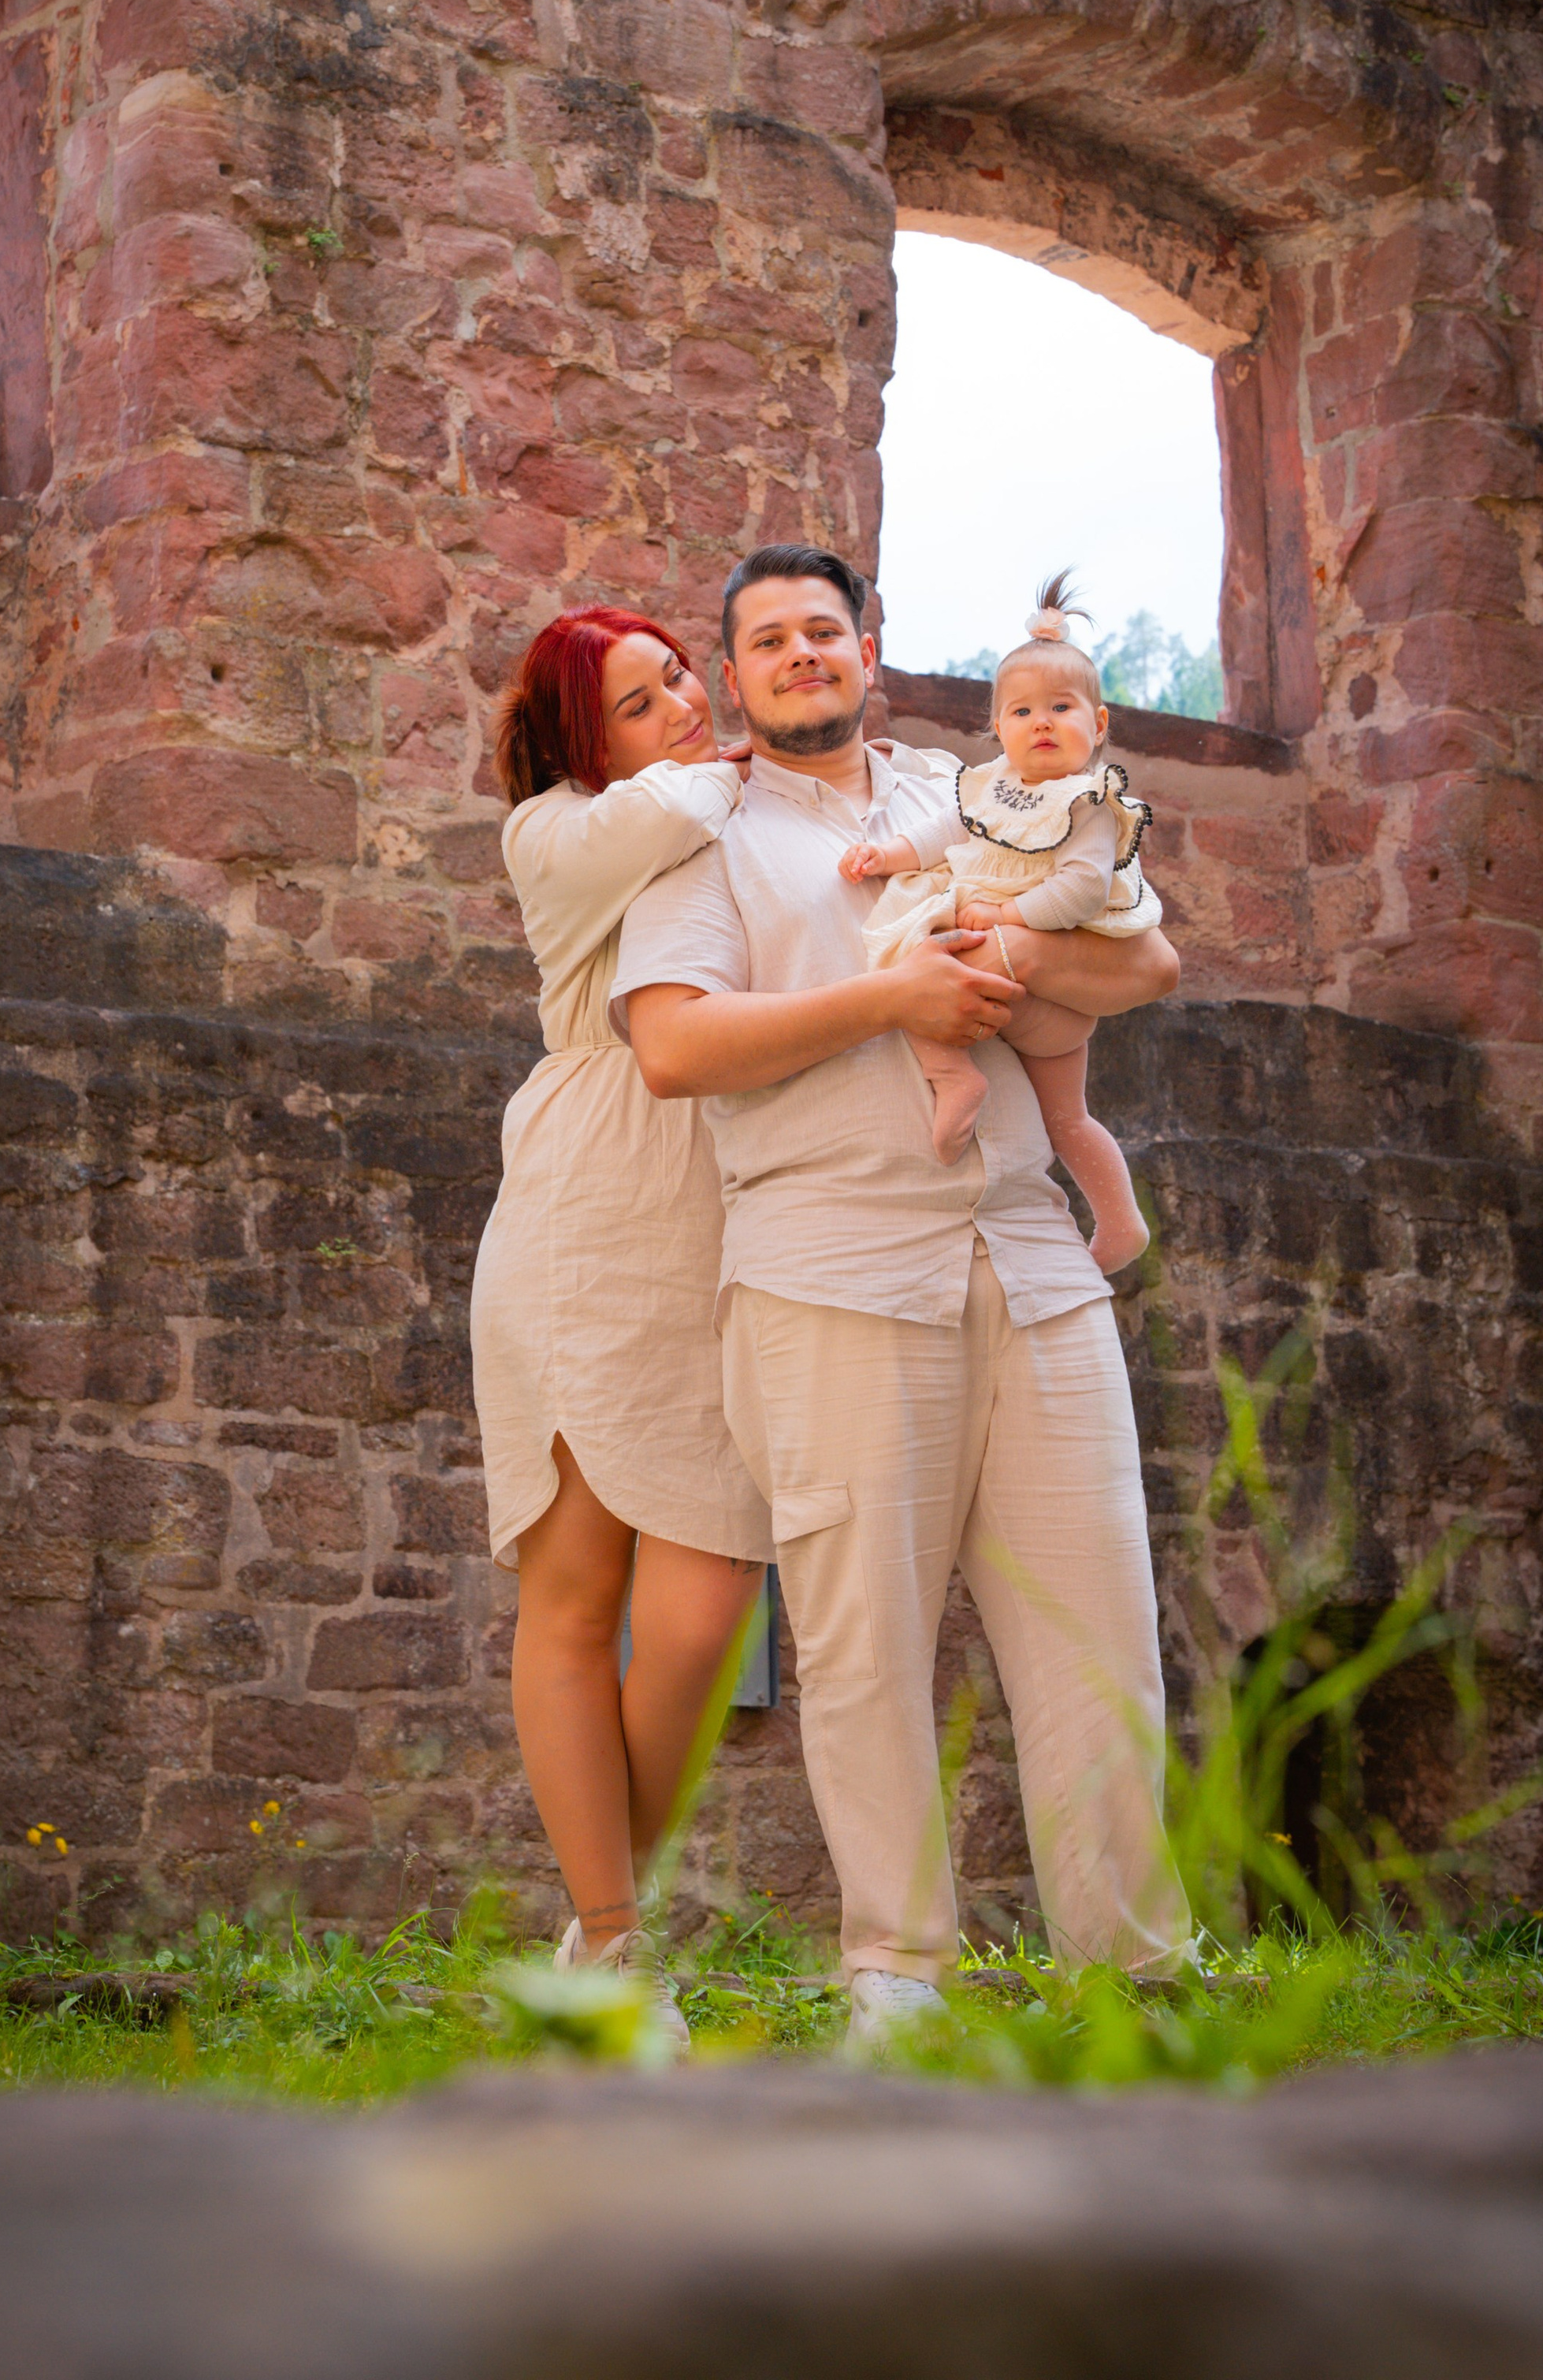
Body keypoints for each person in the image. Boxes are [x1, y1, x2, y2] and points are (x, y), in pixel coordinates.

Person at [613, 544, 1189, 2056]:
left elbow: (1150, 959)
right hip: (831, 1264)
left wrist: (1006, 946)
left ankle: (1135, 1982)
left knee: (1103, 1631)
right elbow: (673, 1046)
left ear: (871, 646)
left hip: (1033, 1252)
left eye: (826, 628)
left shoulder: (977, 784)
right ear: (730, 675)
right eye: (768, 640)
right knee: (864, 1648)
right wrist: (896, 998)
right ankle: (899, 1980)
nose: (803, 653)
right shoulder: (697, 831)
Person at [469, 607, 772, 2047]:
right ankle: (611, 1929)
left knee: (706, 1611)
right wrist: (762, 757)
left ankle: (601, 1916)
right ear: (587, 742)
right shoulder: (560, 829)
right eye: (641, 701)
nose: (686, 708)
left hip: (740, 1210)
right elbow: (677, 795)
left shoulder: (723, 819)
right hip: (593, 1206)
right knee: (578, 1596)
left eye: (682, 678)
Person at [842, 572, 1159, 1274]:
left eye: (1060, 707)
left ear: (1098, 724)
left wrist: (1007, 914)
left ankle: (955, 1075)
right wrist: (885, 853)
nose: (1039, 722)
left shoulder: (1089, 804)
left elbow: (1078, 892)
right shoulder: (989, 787)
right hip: (1019, 988)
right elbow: (939, 834)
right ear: (997, 728)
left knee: (913, 952)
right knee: (1063, 1116)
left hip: (1048, 989)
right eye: (1020, 712)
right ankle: (1116, 1218)